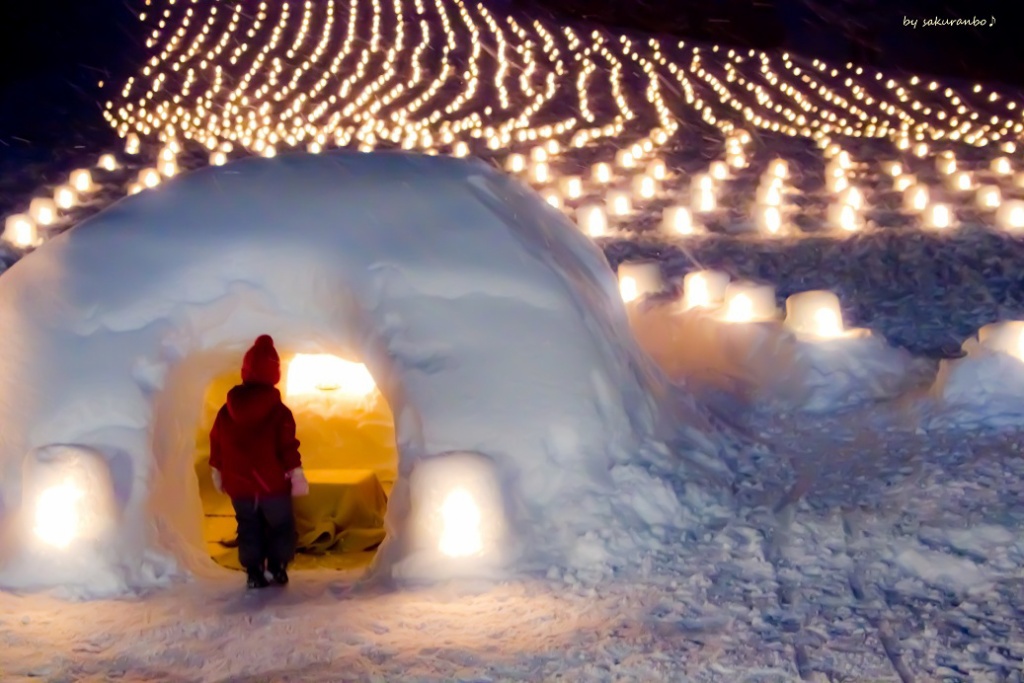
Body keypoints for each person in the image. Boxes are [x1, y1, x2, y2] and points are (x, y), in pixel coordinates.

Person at [209, 334, 310, 589]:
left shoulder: (226, 411)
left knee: (248, 526)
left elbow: (217, 443)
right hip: (271, 485)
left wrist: (218, 472)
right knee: (281, 526)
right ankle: (277, 568)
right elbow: (288, 447)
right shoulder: (279, 412)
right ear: (274, 374)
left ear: (246, 370)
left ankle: (254, 572)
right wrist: (296, 474)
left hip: (240, 486)